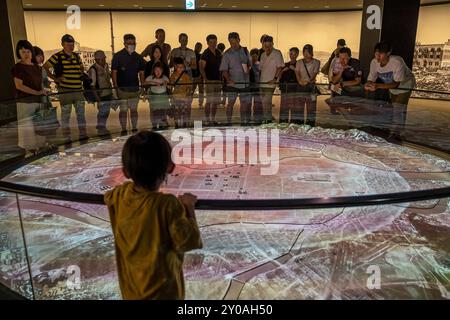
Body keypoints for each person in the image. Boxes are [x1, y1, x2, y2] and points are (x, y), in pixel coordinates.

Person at [104, 131, 203, 300]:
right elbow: (190, 241)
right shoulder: (167, 205)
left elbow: (109, 196)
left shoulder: (120, 195)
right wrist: (189, 207)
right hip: (164, 294)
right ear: (169, 167)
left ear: (126, 172)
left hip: (131, 293)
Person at [365, 41, 416, 134]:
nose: (377, 57)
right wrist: (368, 84)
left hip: (405, 85)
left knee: (398, 108)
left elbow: (396, 84)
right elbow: (371, 78)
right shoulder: (374, 62)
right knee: (395, 108)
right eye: (376, 54)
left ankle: (397, 133)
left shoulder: (397, 62)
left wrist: (377, 86)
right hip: (391, 86)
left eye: (380, 54)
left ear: (388, 53)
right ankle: (398, 130)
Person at [44, 34, 87, 140]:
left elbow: (81, 67)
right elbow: (45, 67)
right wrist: (55, 78)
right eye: (68, 44)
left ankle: (83, 134)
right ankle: (66, 137)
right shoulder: (57, 56)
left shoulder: (76, 56)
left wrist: (81, 73)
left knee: (81, 114)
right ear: (62, 44)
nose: (71, 46)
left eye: (72, 44)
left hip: (78, 90)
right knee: (66, 115)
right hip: (65, 90)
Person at [12, 40, 49, 151]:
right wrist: (38, 93)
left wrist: (42, 91)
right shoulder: (18, 68)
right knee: (27, 129)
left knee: (39, 126)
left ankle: (40, 149)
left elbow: (39, 84)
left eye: (28, 51)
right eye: (23, 52)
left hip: (38, 101)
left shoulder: (37, 67)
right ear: (18, 53)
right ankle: (31, 151)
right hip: (25, 102)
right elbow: (19, 86)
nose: (26, 54)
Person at [111, 34, 146, 133]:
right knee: (123, 111)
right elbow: (114, 72)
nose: (131, 45)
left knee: (134, 111)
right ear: (124, 43)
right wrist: (116, 87)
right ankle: (123, 129)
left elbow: (141, 73)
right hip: (122, 90)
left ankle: (134, 128)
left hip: (135, 90)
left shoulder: (138, 57)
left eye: (133, 43)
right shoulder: (118, 56)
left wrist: (142, 87)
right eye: (129, 43)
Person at [219, 32, 252, 126]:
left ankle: (243, 122)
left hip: (245, 82)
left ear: (239, 40)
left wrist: (248, 68)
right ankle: (228, 122)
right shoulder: (227, 53)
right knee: (230, 103)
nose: (233, 45)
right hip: (232, 83)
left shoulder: (245, 51)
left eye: (234, 42)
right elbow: (224, 70)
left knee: (244, 103)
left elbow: (250, 64)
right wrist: (229, 80)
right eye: (231, 43)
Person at [259, 36, 284, 123]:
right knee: (264, 102)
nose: (268, 48)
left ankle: (268, 119)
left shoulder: (277, 53)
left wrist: (275, 79)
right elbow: (261, 68)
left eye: (269, 46)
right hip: (262, 81)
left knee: (267, 101)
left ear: (273, 44)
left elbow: (280, 67)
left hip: (270, 82)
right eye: (266, 46)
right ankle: (267, 118)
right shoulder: (262, 55)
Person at [88, 50, 114, 135]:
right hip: (101, 95)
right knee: (102, 112)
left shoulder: (106, 66)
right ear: (96, 60)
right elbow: (92, 86)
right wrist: (98, 99)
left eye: (104, 59)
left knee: (106, 112)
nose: (103, 61)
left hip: (108, 93)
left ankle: (103, 127)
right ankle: (101, 128)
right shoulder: (93, 69)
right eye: (101, 59)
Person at [295, 44, 320, 126]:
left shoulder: (316, 62)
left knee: (311, 108)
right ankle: (300, 124)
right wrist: (299, 81)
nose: (306, 54)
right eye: (304, 52)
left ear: (311, 52)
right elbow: (297, 73)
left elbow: (314, 75)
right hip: (301, 86)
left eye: (308, 52)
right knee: (299, 107)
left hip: (311, 87)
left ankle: (310, 124)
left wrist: (306, 81)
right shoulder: (299, 62)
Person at [200, 34, 222, 125]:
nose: (213, 44)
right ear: (207, 43)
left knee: (215, 102)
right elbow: (201, 68)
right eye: (211, 42)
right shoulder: (205, 53)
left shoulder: (218, 52)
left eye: (214, 42)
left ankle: (212, 119)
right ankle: (207, 119)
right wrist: (206, 79)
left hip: (217, 80)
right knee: (209, 101)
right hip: (210, 81)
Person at [144, 62, 170, 130]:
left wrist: (165, 83)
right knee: (154, 113)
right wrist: (154, 82)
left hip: (162, 98)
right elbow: (145, 83)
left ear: (162, 71)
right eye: (156, 70)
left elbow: (168, 83)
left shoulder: (165, 77)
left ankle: (162, 125)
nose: (158, 72)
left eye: (160, 70)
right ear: (153, 70)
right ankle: (155, 125)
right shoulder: (150, 77)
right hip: (154, 98)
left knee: (162, 113)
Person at [279, 47, 300, 123]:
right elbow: (280, 77)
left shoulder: (299, 65)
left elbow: (301, 77)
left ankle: (293, 125)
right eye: (291, 53)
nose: (292, 55)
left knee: (294, 108)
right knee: (284, 108)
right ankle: (283, 124)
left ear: (297, 54)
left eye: (294, 54)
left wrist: (294, 69)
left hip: (295, 90)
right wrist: (282, 71)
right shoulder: (285, 65)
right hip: (285, 89)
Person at [170, 57, 192, 128]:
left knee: (183, 112)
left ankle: (184, 124)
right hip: (175, 97)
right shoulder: (173, 75)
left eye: (181, 67)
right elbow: (170, 85)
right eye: (178, 67)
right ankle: (176, 124)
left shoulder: (186, 76)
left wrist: (188, 94)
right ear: (176, 67)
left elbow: (189, 86)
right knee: (176, 112)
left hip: (184, 98)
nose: (180, 69)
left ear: (184, 68)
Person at [249, 48, 263, 124]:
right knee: (248, 103)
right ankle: (248, 118)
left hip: (257, 86)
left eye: (256, 56)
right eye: (253, 56)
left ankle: (257, 118)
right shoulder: (248, 65)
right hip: (250, 86)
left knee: (257, 103)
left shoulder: (260, 65)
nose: (254, 57)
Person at [192, 42, 205, 109]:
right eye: (198, 47)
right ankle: (190, 103)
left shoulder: (201, 56)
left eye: (200, 47)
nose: (199, 48)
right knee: (192, 90)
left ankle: (200, 103)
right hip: (193, 76)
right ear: (195, 47)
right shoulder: (192, 54)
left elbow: (203, 66)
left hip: (200, 76)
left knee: (201, 91)